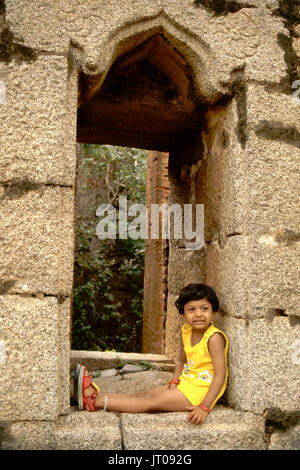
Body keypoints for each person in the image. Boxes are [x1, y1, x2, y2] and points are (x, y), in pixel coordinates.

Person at [75, 283, 228, 425]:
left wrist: (204, 406)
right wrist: (175, 378)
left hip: (201, 392)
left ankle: (95, 401)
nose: (199, 314)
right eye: (191, 309)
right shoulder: (186, 331)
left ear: (214, 311)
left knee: (149, 403)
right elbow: (181, 360)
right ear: (182, 314)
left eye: (204, 308)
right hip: (187, 383)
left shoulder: (214, 338)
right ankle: (96, 396)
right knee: (143, 395)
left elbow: (220, 375)